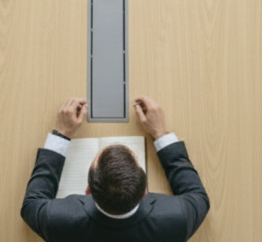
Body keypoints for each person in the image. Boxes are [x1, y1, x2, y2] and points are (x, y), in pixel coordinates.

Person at [21, 96, 210, 242]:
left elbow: (32, 205)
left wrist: (61, 134)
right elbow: (197, 195)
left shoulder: (59, 221)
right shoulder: (178, 219)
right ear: (144, 192)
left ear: (88, 191)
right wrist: (161, 133)